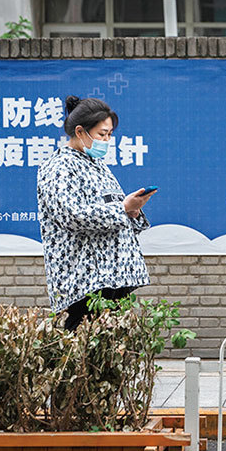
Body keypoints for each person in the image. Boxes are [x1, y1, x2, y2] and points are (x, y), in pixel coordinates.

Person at [37, 96, 154, 332]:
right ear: (80, 132)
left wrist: (132, 211)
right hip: (85, 279)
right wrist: (122, 208)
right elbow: (72, 214)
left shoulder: (97, 165)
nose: (107, 140)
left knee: (111, 342)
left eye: (110, 134)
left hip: (113, 276)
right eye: (102, 134)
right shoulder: (59, 166)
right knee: (82, 339)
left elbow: (113, 209)